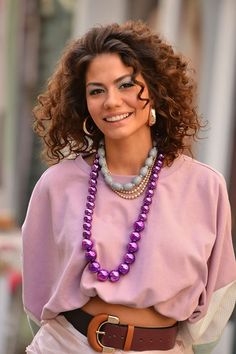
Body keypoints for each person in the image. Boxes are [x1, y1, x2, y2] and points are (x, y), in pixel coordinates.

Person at [22, 20, 236, 354]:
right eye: (96, 90)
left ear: (155, 89)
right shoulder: (56, 185)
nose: (112, 101)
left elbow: (217, 299)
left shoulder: (205, 186)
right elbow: (37, 297)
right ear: (83, 104)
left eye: (125, 85)